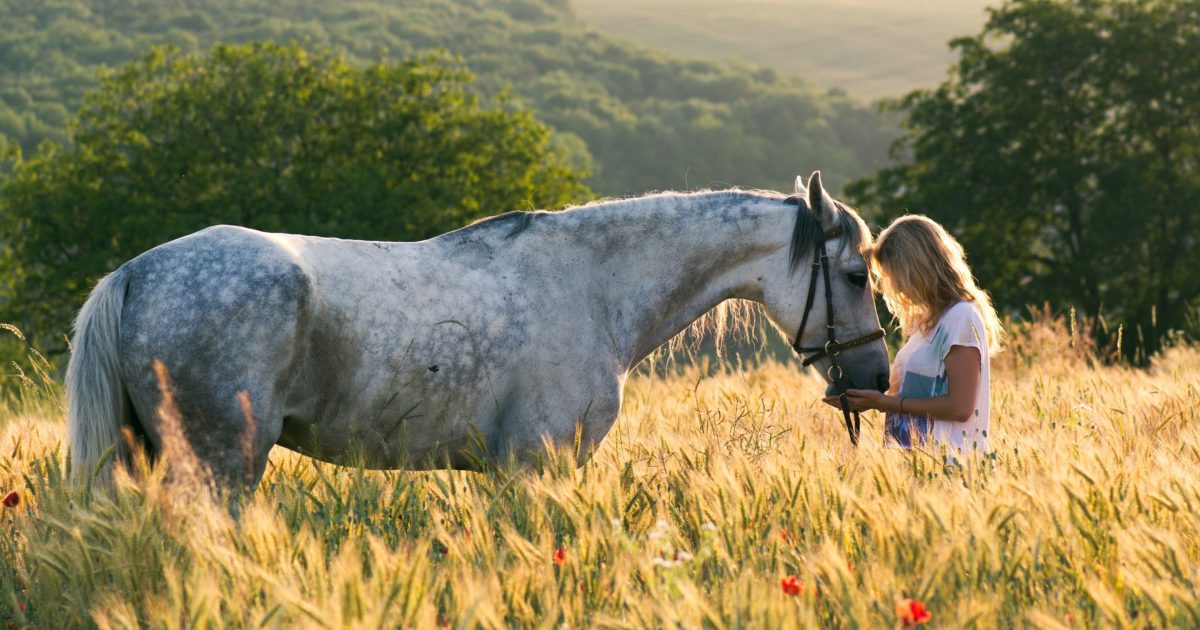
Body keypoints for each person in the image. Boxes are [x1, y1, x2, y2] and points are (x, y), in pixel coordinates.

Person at [822, 215, 1004, 453]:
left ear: (917, 268)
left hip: (945, 465)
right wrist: (866, 399)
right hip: (911, 464)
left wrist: (884, 403)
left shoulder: (961, 317)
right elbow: (919, 395)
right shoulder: (926, 323)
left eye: (895, 276)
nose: (896, 287)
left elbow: (960, 407)